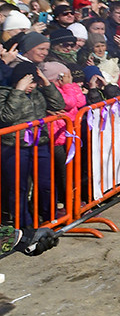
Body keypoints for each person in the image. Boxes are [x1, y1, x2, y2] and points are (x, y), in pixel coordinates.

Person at [0, 60, 65, 235]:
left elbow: (59, 105)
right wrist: (18, 91)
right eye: (29, 82)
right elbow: (6, 116)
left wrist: (46, 83)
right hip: (14, 147)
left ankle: (50, 218)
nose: (32, 86)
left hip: (40, 143)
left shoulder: (38, 92)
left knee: (46, 183)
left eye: (34, 82)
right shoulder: (4, 93)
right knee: (19, 187)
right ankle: (24, 225)